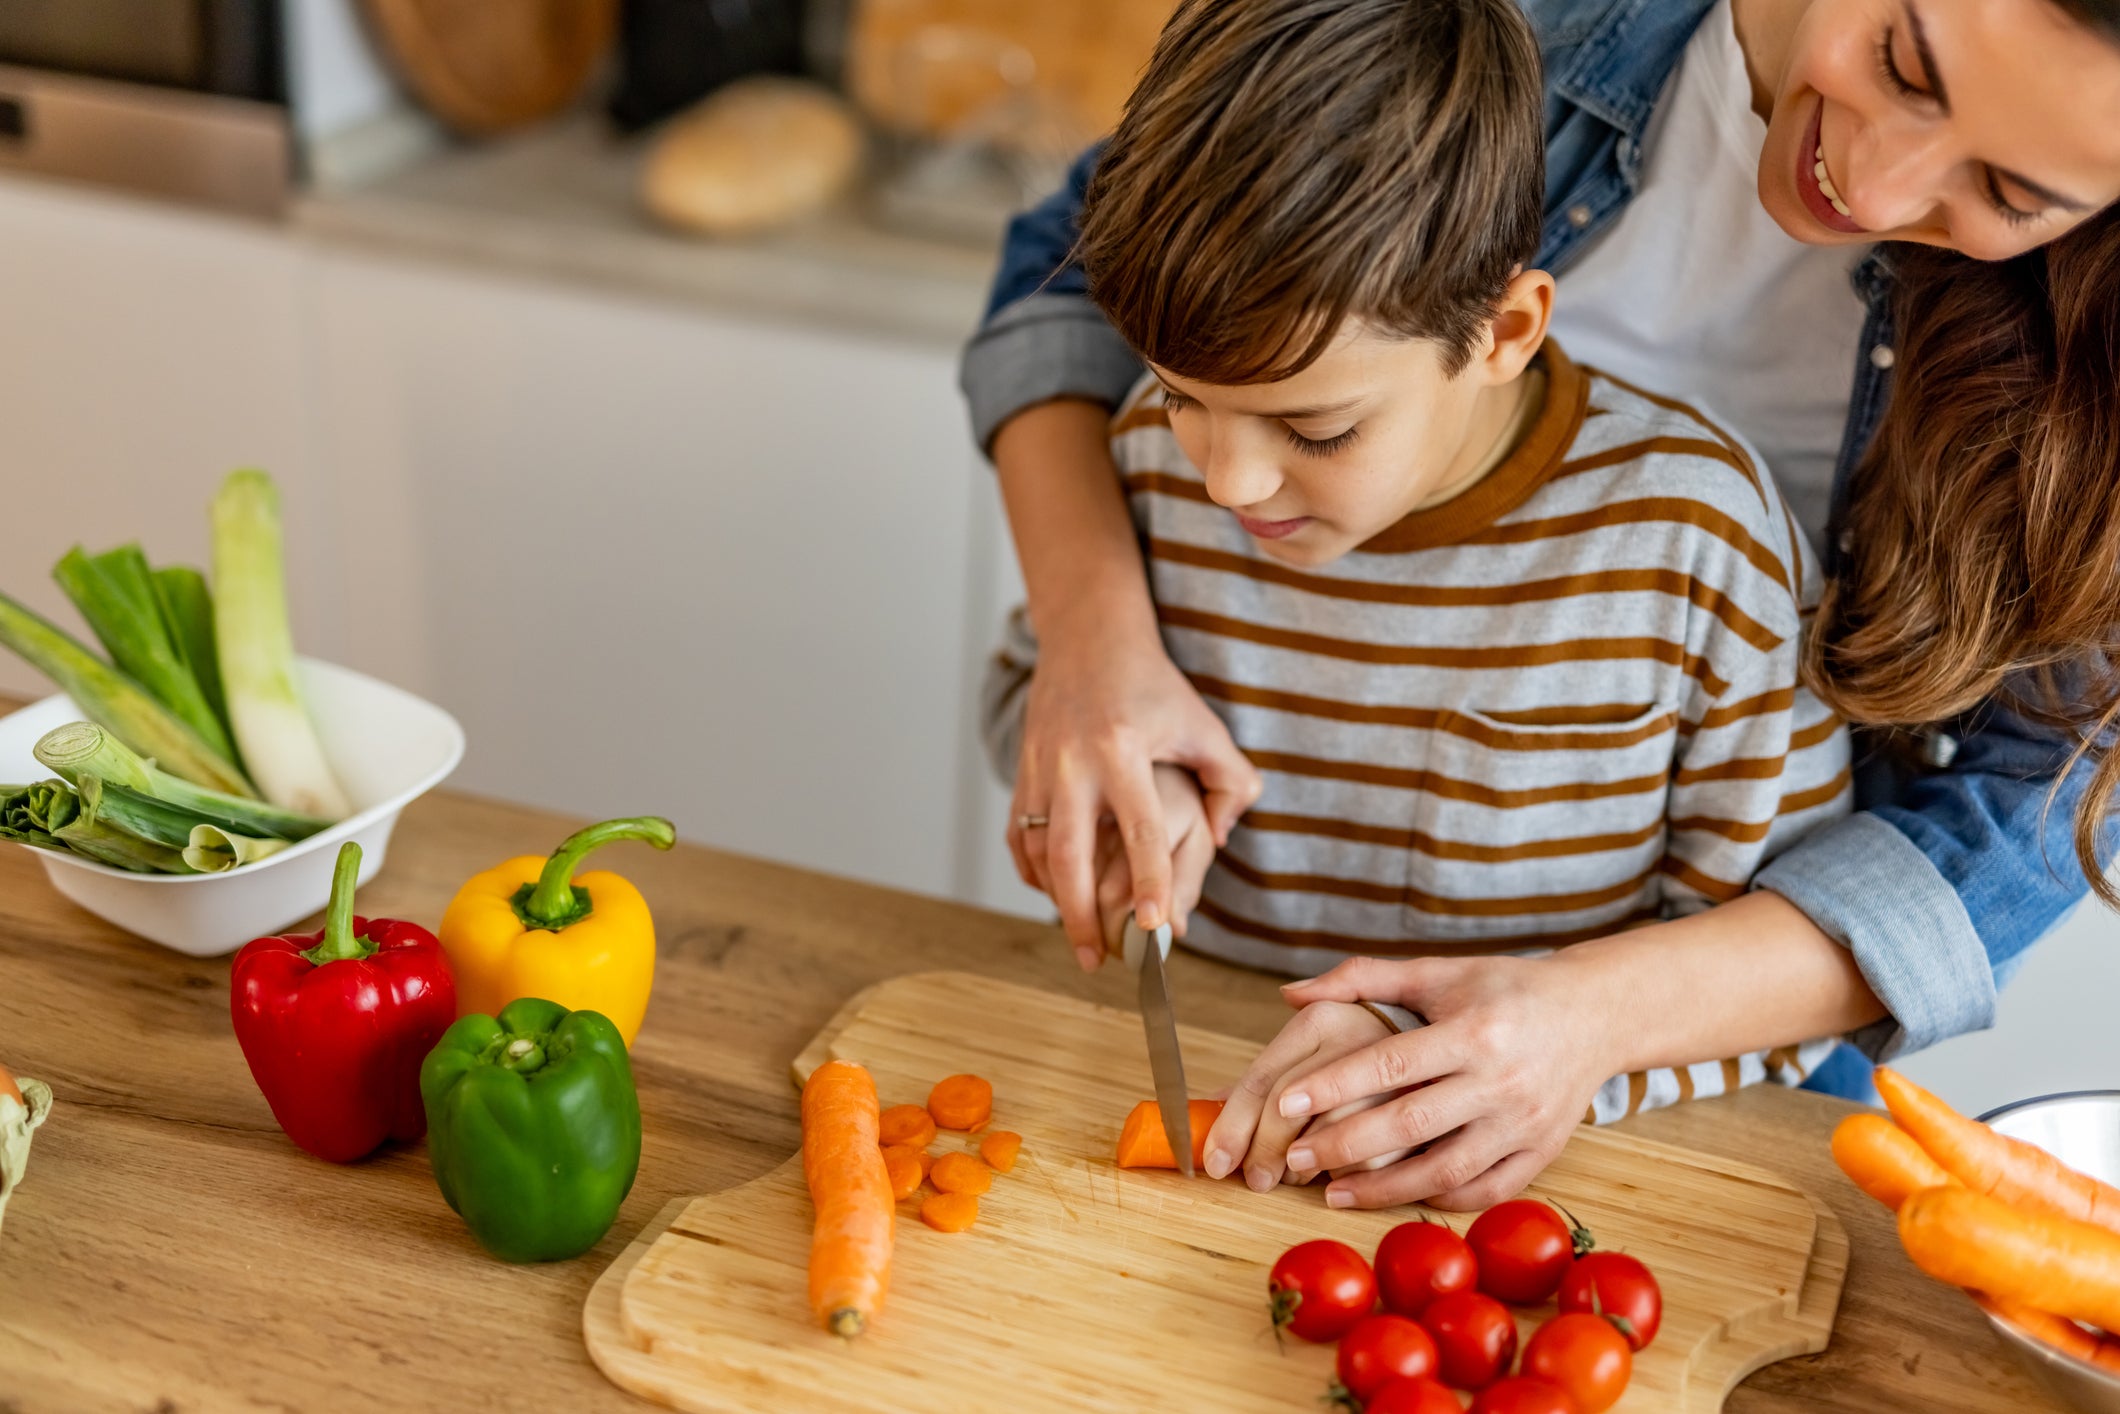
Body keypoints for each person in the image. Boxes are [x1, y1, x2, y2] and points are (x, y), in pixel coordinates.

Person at [967, 0, 2120, 1211]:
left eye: (2010, 189)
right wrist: (1095, 653)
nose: (1875, 187)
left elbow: (2018, 814)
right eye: (1900, 62)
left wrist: (1576, 1024)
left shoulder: (1699, 539)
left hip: (1649, 1115)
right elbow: (1100, 257)